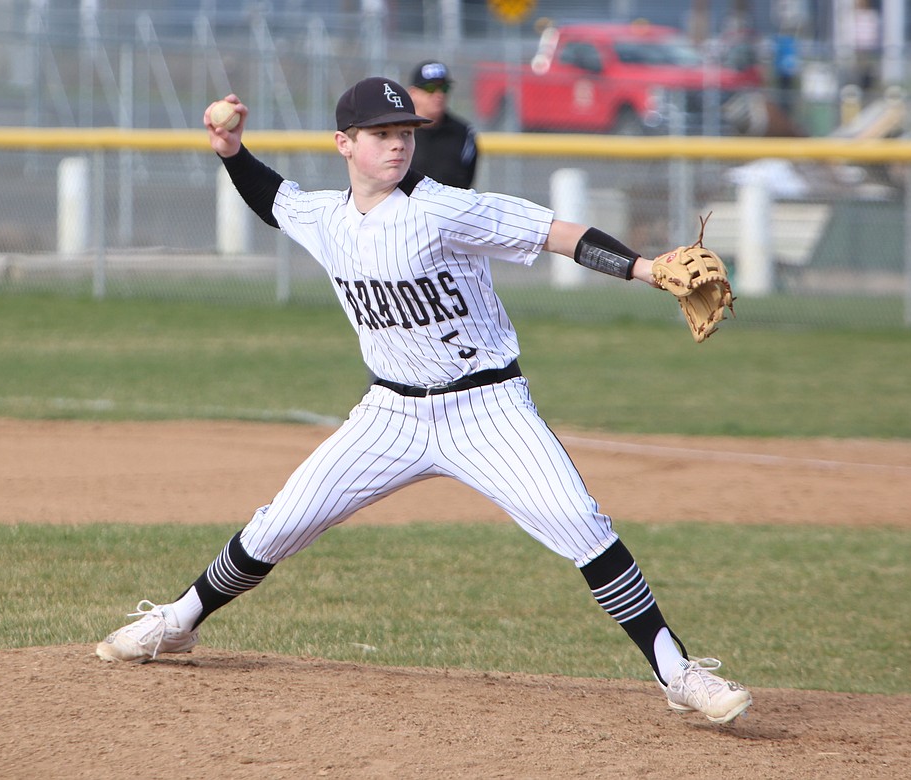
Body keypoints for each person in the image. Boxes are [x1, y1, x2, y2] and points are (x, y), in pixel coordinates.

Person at [94, 76, 752, 725]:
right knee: (282, 521)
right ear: (343, 143)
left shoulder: (445, 207)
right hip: (390, 415)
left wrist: (641, 268)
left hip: (487, 409)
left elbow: (559, 233)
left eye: (405, 132)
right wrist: (230, 151)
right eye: (381, 134)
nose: (397, 145)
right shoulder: (327, 218)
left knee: (581, 524)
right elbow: (274, 199)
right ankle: (179, 621)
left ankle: (678, 673)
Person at [405, 60, 478, 188]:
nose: (439, 95)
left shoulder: (463, 133)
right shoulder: (399, 131)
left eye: (444, 88)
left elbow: (467, 180)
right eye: (430, 88)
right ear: (413, 93)